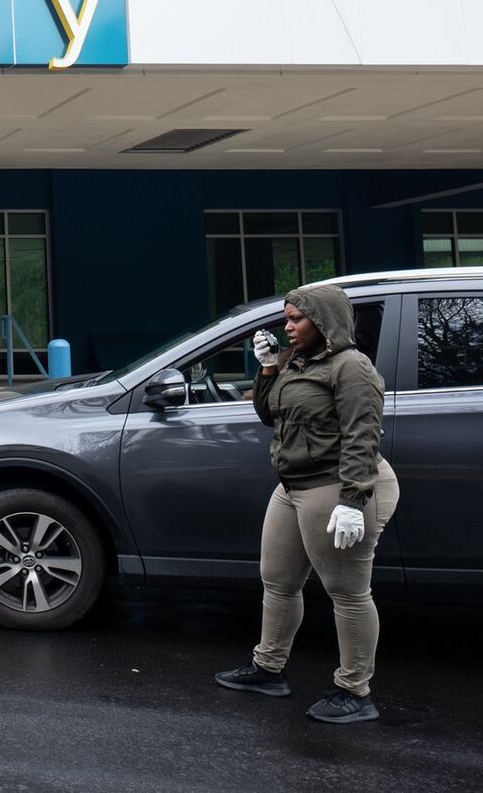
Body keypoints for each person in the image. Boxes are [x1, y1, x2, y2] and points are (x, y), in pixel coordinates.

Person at [214, 283, 399, 724]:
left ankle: (355, 691)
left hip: (338, 487)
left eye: (296, 319)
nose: (287, 326)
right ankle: (268, 669)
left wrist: (353, 499)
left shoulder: (351, 367)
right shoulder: (296, 363)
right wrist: (267, 368)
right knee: (277, 579)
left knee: (348, 594)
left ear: (324, 322)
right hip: (293, 486)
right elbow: (269, 415)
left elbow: (362, 436)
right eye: (287, 317)